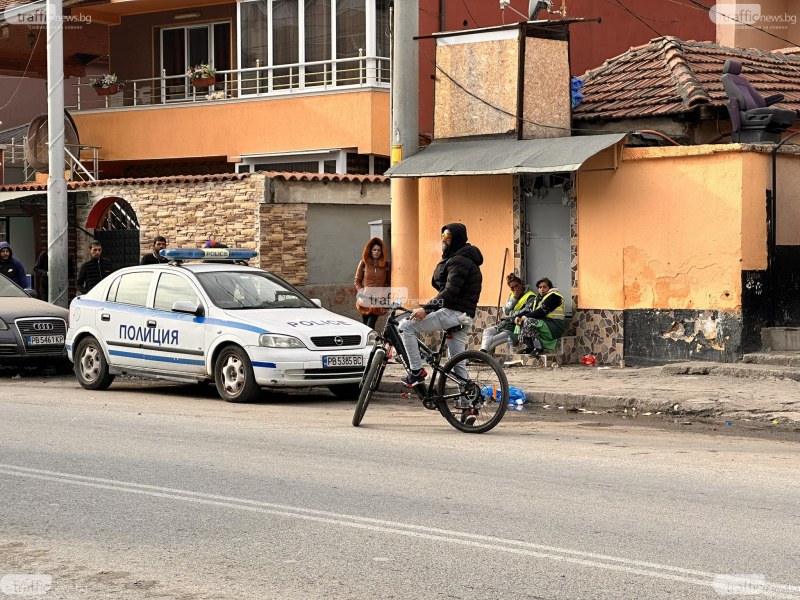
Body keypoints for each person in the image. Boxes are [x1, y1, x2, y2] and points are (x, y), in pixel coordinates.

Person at [398, 223, 483, 387]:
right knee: (457, 363)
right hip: (464, 316)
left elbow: (450, 292)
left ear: (457, 239)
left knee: (406, 326)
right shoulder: (460, 258)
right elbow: (446, 289)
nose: (444, 240)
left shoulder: (459, 261)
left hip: (454, 313)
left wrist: (426, 308)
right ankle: (468, 402)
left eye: (448, 237)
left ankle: (416, 371)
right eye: (442, 236)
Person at [480, 273, 536, 354]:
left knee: (493, 339)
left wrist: (512, 313)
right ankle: (484, 354)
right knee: (487, 332)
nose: (515, 289)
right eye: (512, 288)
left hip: (516, 328)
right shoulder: (512, 296)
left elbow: (526, 311)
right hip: (506, 324)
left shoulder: (531, 296)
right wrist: (515, 298)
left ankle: (483, 355)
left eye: (516, 286)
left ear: (520, 284)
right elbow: (506, 311)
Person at [514, 277, 566, 355]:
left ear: (550, 288)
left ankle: (538, 348)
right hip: (545, 324)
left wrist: (524, 317)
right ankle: (530, 347)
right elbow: (529, 310)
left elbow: (541, 312)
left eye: (544, 287)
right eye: (540, 287)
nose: (542, 289)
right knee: (520, 321)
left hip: (555, 326)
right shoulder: (538, 299)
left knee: (528, 321)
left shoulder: (554, 297)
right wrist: (519, 316)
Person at [354, 237, 391, 329]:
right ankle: (368, 343)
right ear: (370, 251)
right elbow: (357, 280)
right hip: (365, 298)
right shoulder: (363, 263)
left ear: (382, 252)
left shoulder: (386, 265)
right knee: (365, 325)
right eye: (374, 250)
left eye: (378, 250)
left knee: (371, 324)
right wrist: (361, 291)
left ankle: (371, 342)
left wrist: (385, 295)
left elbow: (389, 282)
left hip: (378, 300)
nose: (376, 252)